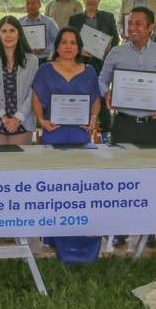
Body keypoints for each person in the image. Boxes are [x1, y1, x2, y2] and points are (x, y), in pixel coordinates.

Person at [98, 7, 156, 248]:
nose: (132, 28)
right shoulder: (116, 52)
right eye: (129, 23)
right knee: (122, 178)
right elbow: (101, 80)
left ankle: (149, 230)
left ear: (150, 28)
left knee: (151, 178)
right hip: (123, 123)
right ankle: (121, 229)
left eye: (137, 24)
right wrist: (107, 93)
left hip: (151, 126)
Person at [32, 27, 102, 263]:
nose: (68, 46)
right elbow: (36, 98)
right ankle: (54, 238)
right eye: (64, 42)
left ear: (79, 46)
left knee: (80, 187)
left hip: (80, 136)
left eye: (73, 42)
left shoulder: (90, 71)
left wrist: (93, 120)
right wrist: (42, 121)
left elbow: (95, 101)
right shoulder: (45, 70)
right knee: (55, 188)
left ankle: (79, 236)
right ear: (58, 46)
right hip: (55, 133)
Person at [0, 16, 38, 146]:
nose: (8, 35)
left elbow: (33, 92)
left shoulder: (32, 60)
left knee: (18, 165)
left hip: (22, 121)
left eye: (12, 30)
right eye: (4, 31)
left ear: (19, 34)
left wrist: (18, 117)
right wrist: (3, 118)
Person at [67, 0, 120, 75]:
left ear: (99, 0)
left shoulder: (108, 17)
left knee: (100, 88)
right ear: (84, 0)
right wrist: (78, 49)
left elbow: (116, 39)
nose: (91, 0)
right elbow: (69, 41)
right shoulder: (74, 19)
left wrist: (109, 46)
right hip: (80, 63)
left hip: (102, 63)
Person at [19, 0, 58, 65]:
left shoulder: (49, 22)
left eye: (33, 3)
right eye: (28, 3)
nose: (30, 6)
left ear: (39, 5)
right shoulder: (19, 23)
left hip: (45, 60)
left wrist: (45, 50)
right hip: (25, 60)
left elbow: (57, 41)